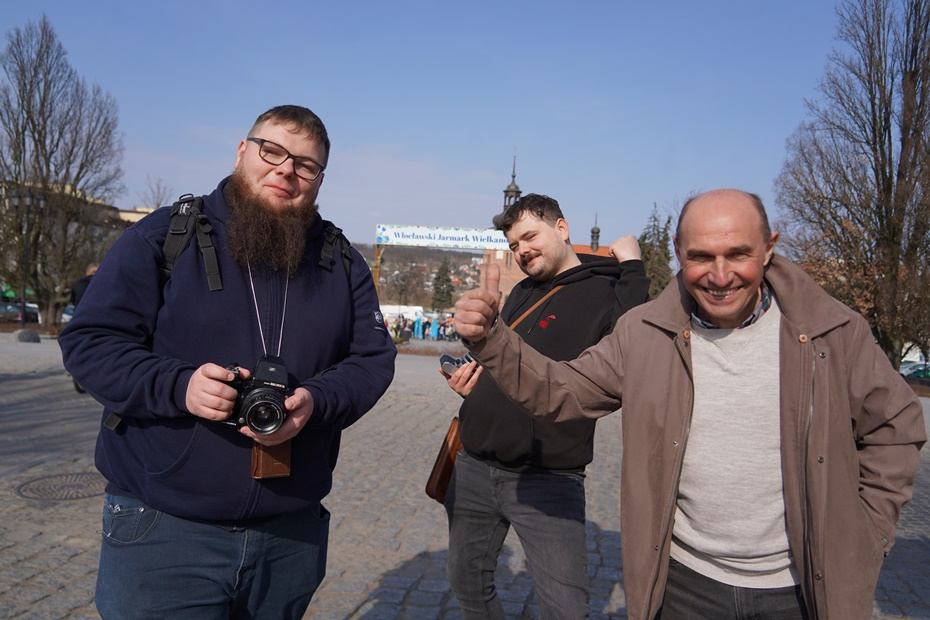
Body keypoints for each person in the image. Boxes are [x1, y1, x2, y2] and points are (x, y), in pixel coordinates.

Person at [453, 188, 926, 620]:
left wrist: (868, 533)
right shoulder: (644, 333)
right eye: (701, 256)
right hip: (684, 588)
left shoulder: (833, 331)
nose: (720, 275)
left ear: (768, 248)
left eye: (737, 254)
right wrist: (490, 339)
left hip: (800, 590)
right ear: (680, 253)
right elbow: (562, 390)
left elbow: (897, 425)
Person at [59, 105, 396, 619]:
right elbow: (90, 341)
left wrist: (317, 401)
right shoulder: (164, 236)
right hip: (164, 531)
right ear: (242, 152)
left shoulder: (341, 260)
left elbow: (372, 360)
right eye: (272, 151)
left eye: (306, 165)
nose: (286, 170)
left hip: (289, 538)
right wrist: (179, 386)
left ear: (320, 180)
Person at [441, 193, 650, 618]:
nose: (522, 250)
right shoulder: (521, 291)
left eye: (530, 237)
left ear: (562, 228)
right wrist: (473, 388)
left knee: (565, 608)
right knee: (466, 583)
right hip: (475, 464)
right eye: (514, 245)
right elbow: (507, 361)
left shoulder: (606, 291)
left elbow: (636, 344)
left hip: (549, 477)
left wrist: (633, 266)